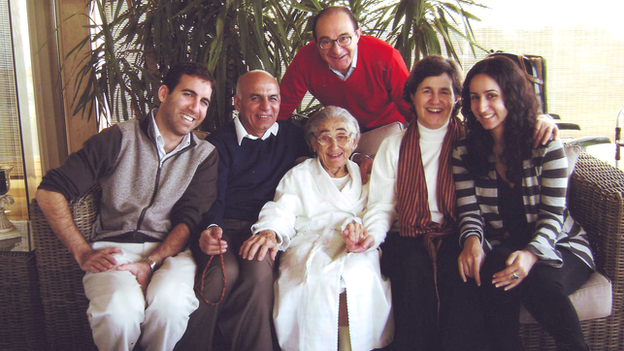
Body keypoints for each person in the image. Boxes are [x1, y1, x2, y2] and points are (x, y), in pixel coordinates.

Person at [362, 55, 559, 351]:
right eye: (427, 90)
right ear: (412, 95)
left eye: (445, 91)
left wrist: (543, 119)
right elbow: (381, 207)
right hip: (409, 235)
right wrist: (371, 237)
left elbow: (515, 128)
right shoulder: (394, 145)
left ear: (456, 99)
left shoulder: (472, 139)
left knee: (463, 273)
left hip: (459, 233)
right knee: (413, 269)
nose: (436, 100)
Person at [34, 61, 219, 351]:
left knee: (169, 306)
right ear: (163, 93)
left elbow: (189, 220)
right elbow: (49, 191)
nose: (195, 108)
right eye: (188, 94)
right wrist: (82, 251)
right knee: (119, 312)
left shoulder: (204, 156)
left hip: (170, 253)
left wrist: (151, 262)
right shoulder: (119, 138)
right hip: (113, 250)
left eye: (204, 101)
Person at [452, 55, 595, 351]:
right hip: (503, 245)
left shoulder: (545, 145)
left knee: (536, 281)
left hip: (560, 245)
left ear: (511, 96)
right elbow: (470, 212)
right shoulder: (465, 151)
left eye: (492, 96)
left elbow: (553, 218)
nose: (481, 107)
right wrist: (472, 241)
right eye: (475, 98)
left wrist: (531, 255)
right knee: (493, 275)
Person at [174, 70, 311, 351]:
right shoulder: (218, 143)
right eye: (255, 99)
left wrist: (359, 157)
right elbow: (213, 197)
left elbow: (330, 143)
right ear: (237, 102)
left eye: (273, 98)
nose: (266, 107)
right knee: (220, 277)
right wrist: (211, 228)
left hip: (263, 228)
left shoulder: (292, 135)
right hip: (222, 226)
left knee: (259, 272)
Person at [251, 106, 393, 351]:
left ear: (354, 141)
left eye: (342, 136)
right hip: (307, 242)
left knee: (358, 274)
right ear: (313, 144)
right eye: (325, 138)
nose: (334, 146)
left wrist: (363, 235)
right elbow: (281, 208)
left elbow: (377, 212)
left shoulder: (367, 177)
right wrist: (270, 230)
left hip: (355, 245)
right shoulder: (299, 175)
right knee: (314, 278)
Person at [278, 6, 412, 132]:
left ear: (358, 34)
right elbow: (280, 109)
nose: (337, 50)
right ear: (315, 41)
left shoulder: (386, 56)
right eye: (326, 41)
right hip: (342, 131)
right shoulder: (305, 60)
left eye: (344, 38)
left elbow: (412, 109)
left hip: (387, 129)